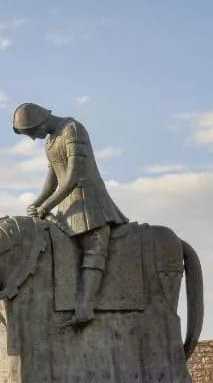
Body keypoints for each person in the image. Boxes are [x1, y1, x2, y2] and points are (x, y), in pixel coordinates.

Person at [12, 103, 127, 327]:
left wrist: (47, 206)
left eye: (31, 132)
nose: (33, 138)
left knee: (93, 248)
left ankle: (85, 306)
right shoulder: (50, 141)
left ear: (39, 121)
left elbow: (73, 176)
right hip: (66, 206)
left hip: (89, 203)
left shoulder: (72, 129)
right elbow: (52, 180)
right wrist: (37, 203)